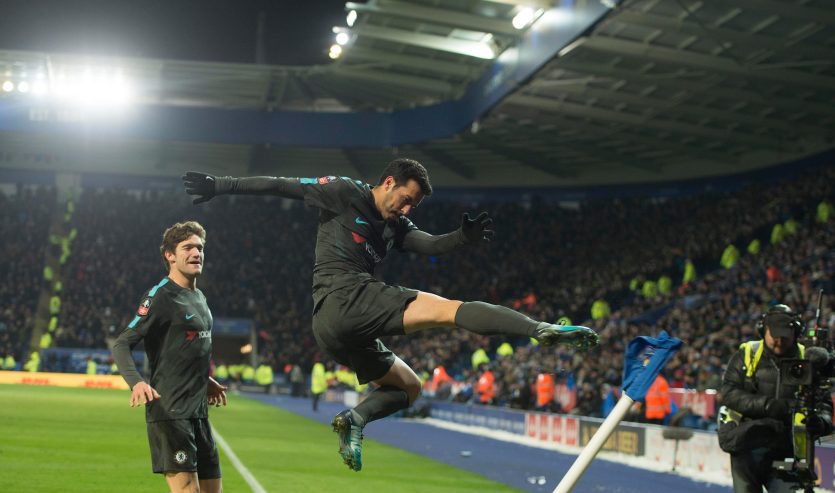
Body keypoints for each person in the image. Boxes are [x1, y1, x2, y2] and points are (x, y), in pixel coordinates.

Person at [183, 159, 598, 471]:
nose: (406, 208)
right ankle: (538, 329)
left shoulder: (395, 226)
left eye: (413, 204)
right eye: (406, 199)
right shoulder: (344, 191)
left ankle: (355, 419)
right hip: (345, 297)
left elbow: (429, 244)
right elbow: (280, 186)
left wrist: (460, 239)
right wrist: (222, 184)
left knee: (410, 387)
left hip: (338, 330)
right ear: (387, 183)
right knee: (449, 310)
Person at [110, 221, 229, 493]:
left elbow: (192, 346)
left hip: (196, 410)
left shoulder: (200, 297)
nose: (196, 253)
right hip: (169, 409)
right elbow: (123, 343)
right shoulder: (161, 295)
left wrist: (206, 379)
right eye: (188, 248)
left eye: (200, 247)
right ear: (170, 255)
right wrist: (136, 382)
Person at [718, 304, 832, 493]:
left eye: (785, 336)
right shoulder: (746, 354)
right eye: (773, 335)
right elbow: (729, 393)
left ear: (795, 333)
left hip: (786, 449)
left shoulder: (809, 358)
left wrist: (821, 421)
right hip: (747, 446)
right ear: (763, 331)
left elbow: (825, 405)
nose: (778, 341)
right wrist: (769, 407)